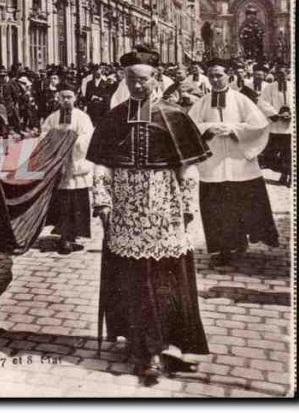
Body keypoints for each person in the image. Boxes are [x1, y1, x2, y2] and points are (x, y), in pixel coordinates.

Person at [87, 48, 212, 382]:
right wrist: (102, 200)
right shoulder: (114, 118)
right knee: (134, 280)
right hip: (126, 212)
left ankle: (169, 342)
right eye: (131, 80)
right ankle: (146, 348)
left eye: (143, 79)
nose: (137, 86)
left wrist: (187, 206)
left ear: (156, 79)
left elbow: (187, 167)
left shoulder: (174, 115)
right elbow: (102, 163)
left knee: (166, 279)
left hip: (165, 210)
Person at [188, 58, 280, 265]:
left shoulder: (241, 99)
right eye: (211, 75)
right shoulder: (202, 101)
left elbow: (259, 124)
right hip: (214, 163)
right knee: (217, 206)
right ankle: (223, 248)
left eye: (219, 75)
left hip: (239, 162)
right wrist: (207, 129)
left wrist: (235, 130)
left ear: (229, 76)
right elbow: (191, 125)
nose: (215, 79)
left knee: (240, 203)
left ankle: (240, 241)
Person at [41, 83, 95, 255]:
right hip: (59, 168)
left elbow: (87, 138)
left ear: (75, 98)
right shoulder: (52, 118)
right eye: (63, 97)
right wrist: (56, 139)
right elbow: (44, 136)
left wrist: (71, 140)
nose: (66, 100)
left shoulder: (82, 117)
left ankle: (72, 234)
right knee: (61, 203)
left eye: (69, 97)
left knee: (76, 203)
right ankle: (63, 235)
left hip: (76, 166)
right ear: (58, 98)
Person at [257, 63, 293, 186]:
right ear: (275, 74)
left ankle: (288, 176)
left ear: (288, 73)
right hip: (275, 126)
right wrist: (275, 114)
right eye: (279, 73)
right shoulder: (269, 88)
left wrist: (291, 114)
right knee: (270, 155)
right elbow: (262, 103)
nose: (281, 76)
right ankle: (283, 171)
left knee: (289, 152)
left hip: (290, 127)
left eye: (284, 73)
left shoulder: (293, 86)